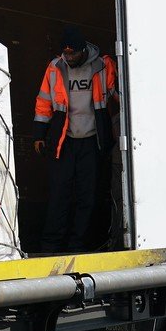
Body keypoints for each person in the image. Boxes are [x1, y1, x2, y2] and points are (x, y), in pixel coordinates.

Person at [33, 26, 117, 252]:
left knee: (86, 196)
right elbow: (43, 102)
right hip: (64, 141)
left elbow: (119, 96)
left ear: (83, 50)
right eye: (65, 54)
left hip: (92, 141)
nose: (68, 58)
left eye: (73, 54)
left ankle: (78, 246)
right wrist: (39, 134)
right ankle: (51, 246)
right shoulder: (55, 68)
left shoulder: (102, 66)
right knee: (60, 194)